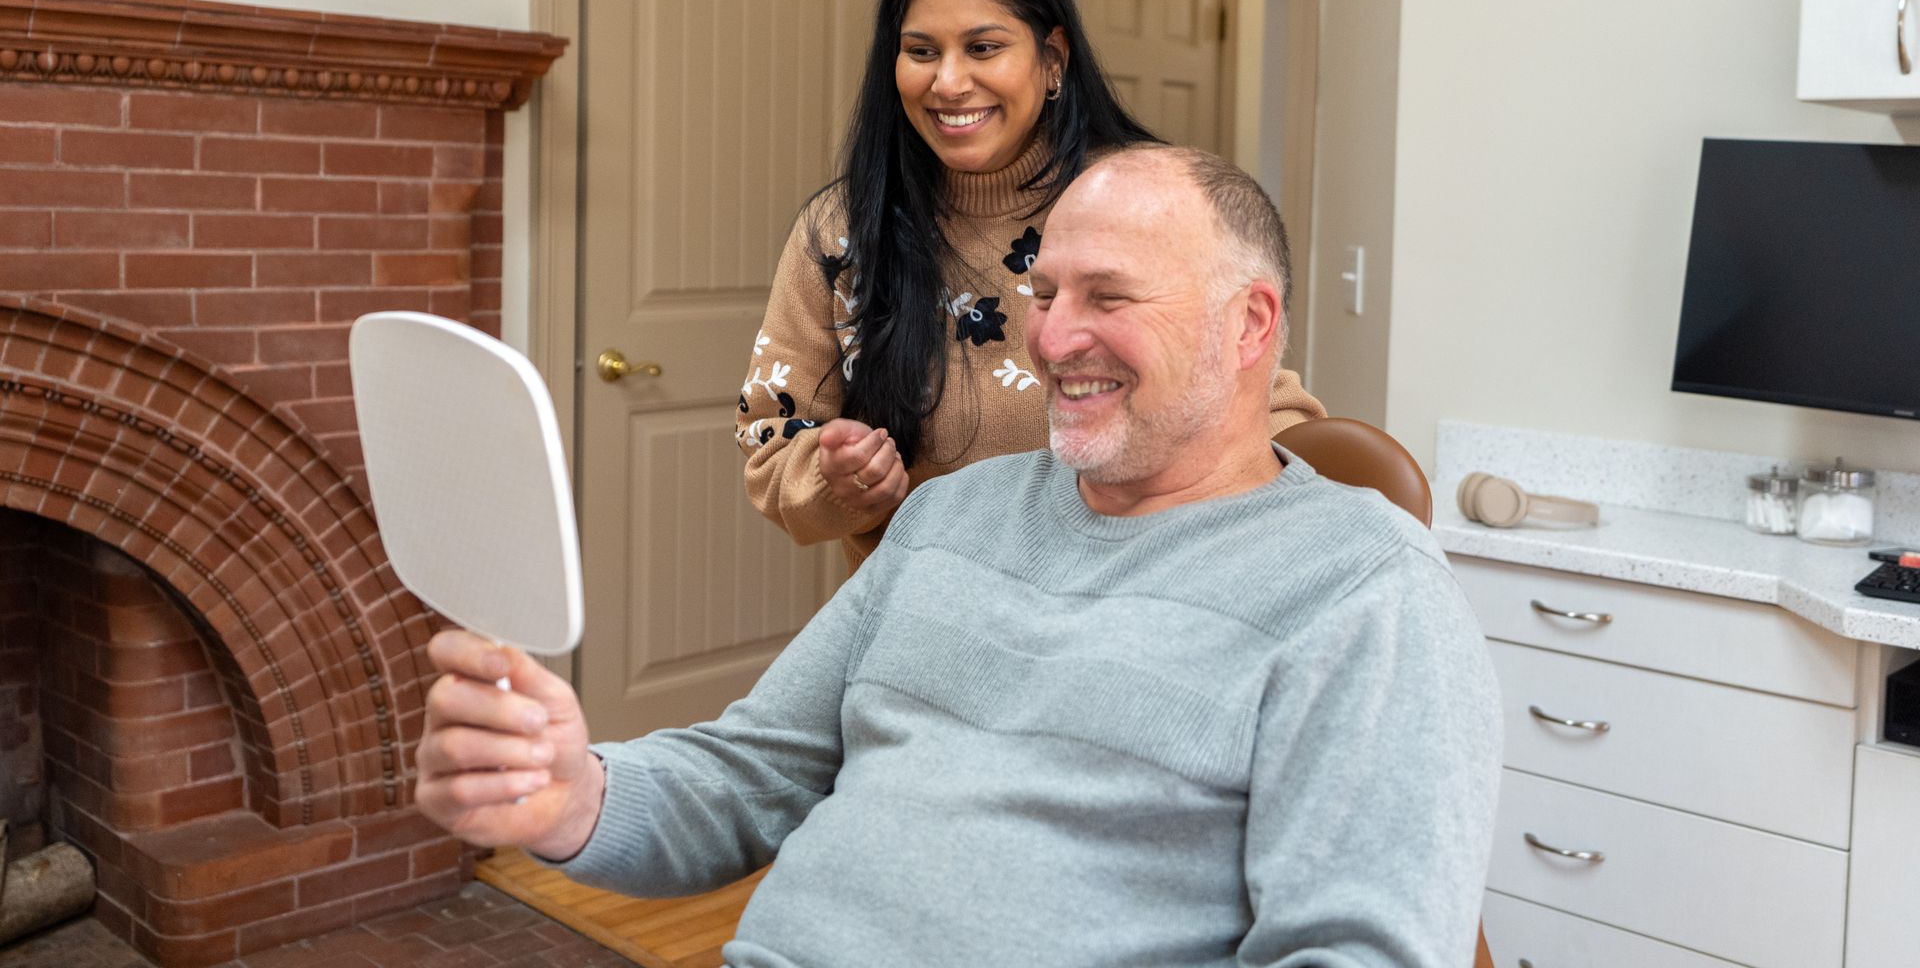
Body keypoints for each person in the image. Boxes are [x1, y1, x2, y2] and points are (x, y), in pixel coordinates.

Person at [417, 146, 1502, 968]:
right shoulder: (951, 518)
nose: (1051, 336)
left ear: (1250, 323)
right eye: (1045, 292)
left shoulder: (1365, 590)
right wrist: (569, 794)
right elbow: (754, 769)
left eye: (1107, 296)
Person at [735, 0, 1323, 568]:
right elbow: (771, 441)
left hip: (1116, 612)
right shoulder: (844, 228)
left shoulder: (1143, 200)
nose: (949, 82)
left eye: (984, 48)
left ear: (1052, 60)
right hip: (924, 625)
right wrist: (836, 481)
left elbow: (1261, 405)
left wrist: (1309, 520)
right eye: (921, 51)